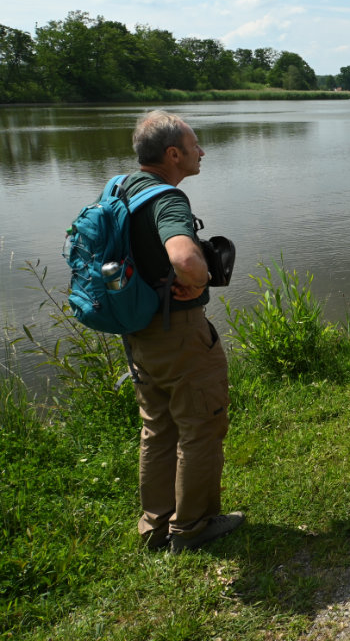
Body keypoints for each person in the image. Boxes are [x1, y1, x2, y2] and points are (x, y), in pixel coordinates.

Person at [123, 110, 242, 553]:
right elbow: (187, 261)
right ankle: (192, 527)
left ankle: (154, 525)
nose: (202, 152)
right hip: (179, 334)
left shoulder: (121, 187)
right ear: (173, 155)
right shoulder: (167, 199)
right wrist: (198, 283)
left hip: (138, 331)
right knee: (201, 426)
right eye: (195, 146)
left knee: (157, 427)